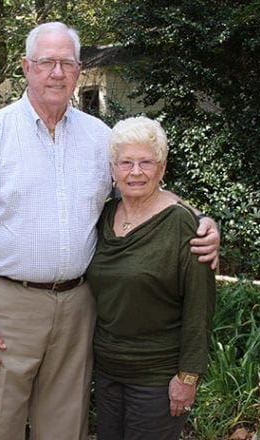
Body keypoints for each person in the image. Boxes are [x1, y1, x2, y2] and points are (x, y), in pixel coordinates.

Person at [0, 22, 220, 440]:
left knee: (64, 428)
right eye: (46, 62)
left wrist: (201, 220)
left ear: (78, 70)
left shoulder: (99, 139)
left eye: (66, 63)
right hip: (6, 306)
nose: (57, 72)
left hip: (78, 307)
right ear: (26, 67)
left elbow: (141, 186)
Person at [87, 116, 216, 440]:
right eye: (126, 162)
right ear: (113, 169)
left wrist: (188, 377)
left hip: (157, 376)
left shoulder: (183, 226)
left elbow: (200, 307)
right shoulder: (103, 216)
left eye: (146, 162)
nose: (135, 172)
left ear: (162, 168)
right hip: (107, 372)